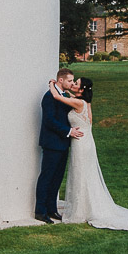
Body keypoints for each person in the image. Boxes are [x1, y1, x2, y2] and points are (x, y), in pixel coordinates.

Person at [50, 77, 128, 231]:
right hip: (86, 140)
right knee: (84, 173)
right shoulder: (85, 102)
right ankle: (84, 205)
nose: (73, 84)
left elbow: (57, 96)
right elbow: (73, 101)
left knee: (80, 173)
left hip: (81, 143)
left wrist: (52, 84)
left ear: (81, 90)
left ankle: (81, 210)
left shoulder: (78, 103)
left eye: (76, 83)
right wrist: (69, 91)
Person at [35, 68, 84, 224]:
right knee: (47, 177)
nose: (72, 83)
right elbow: (49, 120)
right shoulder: (49, 96)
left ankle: (51, 209)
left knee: (57, 178)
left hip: (63, 143)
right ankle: (40, 211)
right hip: (51, 143)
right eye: (70, 80)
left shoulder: (63, 96)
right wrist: (69, 131)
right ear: (61, 80)